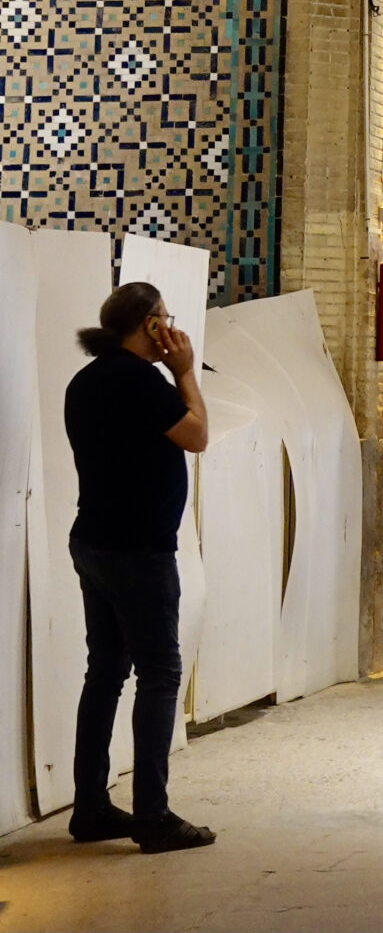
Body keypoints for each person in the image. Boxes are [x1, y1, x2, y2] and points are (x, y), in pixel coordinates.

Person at [62, 281, 213, 852]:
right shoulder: (142, 381)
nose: (171, 328)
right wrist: (185, 372)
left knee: (104, 673)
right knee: (160, 674)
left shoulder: (85, 381)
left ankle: (92, 808)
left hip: (94, 541)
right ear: (151, 325)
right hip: (139, 552)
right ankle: (153, 815)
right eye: (165, 319)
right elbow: (197, 436)